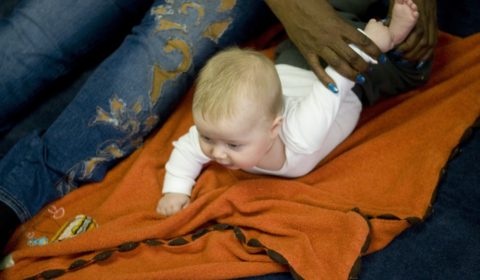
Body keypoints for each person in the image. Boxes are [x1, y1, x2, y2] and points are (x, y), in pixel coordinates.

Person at [0, 0, 436, 254]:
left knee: (155, 55)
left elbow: (347, 74)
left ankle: (10, 201)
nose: (218, 152)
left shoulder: (295, 131)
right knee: (29, 43)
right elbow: (190, 147)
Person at [157, 0, 419, 216]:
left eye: (233, 146)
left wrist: (370, 45)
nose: (217, 153)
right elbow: (187, 150)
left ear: (274, 128)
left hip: (327, 75)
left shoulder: (301, 134)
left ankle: (391, 33)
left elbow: (337, 81)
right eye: (207, 138)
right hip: (308, 70)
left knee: (393, 69)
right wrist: (176, 189)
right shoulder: (223, 132)